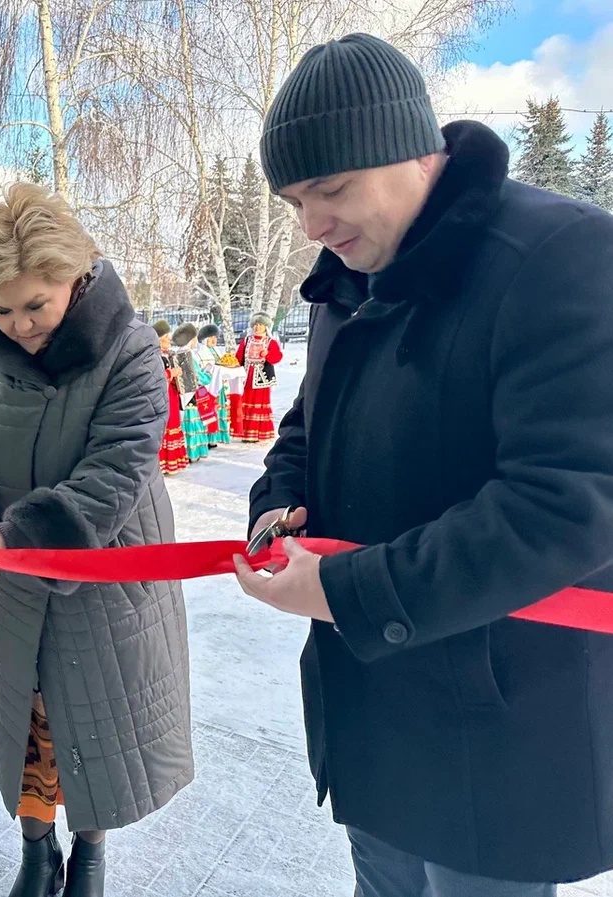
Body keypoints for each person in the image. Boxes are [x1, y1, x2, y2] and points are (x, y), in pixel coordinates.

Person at [235, 33, 613, 897]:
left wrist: (343, 592)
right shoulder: (349, 278)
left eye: (331, 190)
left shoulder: (561, 257)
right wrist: (278, 501)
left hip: (496, 735)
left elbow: (568, 505)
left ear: (414, 152)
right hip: (373, 723)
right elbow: (305, 426)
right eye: (296, 200)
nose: (313, 226)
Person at [0, 183, 193, 897]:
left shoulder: (130, 351)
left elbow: (115, 473)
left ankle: (91, 849)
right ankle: (36, 847)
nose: (18, 325)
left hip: (101, 563)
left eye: (35, 305)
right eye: (2, 308)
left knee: (93, 714)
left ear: (75, 277)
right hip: (7, 567)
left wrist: (13, 537)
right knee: (30, 718)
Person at [234, 312, 282, 442]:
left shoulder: (270, 342)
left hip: (262, 377)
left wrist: (268, 354)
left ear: (265, 326)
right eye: (255, 324)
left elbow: (277, 357)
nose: (257, 327)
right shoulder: (247, 341)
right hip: (247, 376)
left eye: (260, 324)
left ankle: (258, 433)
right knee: (245, 402)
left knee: (259, 403)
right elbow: (239, 357)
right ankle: (245, 433)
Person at [171, 323, 211, 462]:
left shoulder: (177, 353)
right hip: (190, 397)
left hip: (183, 396)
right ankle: (192, 453)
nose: (196, 341)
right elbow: (198, 377)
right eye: (194, 338)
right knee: (192, 424)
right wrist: (209, 374)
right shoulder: (189, 356)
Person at [153, 320, 188, 475]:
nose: (169, 340)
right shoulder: (153, 355)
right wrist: (171, 373)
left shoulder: (168, 355)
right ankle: (163, 462)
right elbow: (153, 376)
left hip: (171, 394)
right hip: (161, 396)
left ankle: (172, 461)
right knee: (165, 425)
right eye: (166, 337)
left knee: (173, 422)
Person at [195, 324, 231, 447]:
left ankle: (217, 434)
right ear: (204, 339)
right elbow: (199, 370)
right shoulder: (200, 352)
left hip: (218, 386)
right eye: (210, 337)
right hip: (207, 388)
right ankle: (208, 437)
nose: (214, 340)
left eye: (215, 337)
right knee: (208, 411)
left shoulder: (217, 351)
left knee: (218, 409)